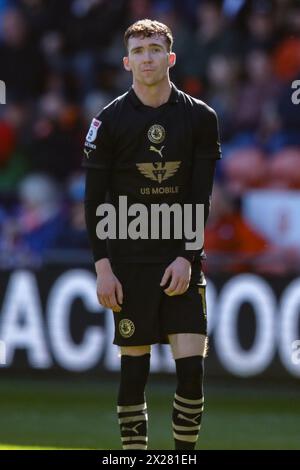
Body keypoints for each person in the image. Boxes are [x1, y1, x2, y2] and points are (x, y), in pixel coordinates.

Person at [83, 19, 221, 450]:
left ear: (170, 58)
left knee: (192, 373)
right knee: (134, 372)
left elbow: (201, 197)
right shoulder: (107, 122)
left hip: (181, 259)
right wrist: (103, 269)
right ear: (127, 62)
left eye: (155, 49)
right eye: (139, 51)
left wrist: (187, 256)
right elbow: (93, 201)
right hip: (129, 263)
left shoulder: (201, 118)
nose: (147, 58)